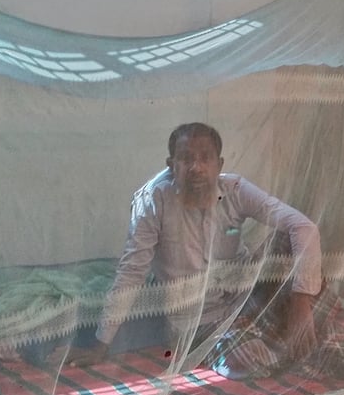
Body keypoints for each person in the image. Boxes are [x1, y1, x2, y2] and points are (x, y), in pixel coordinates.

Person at [67, 123, 323, 376]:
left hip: (244, 299)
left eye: (205, 159)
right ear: (171, 165)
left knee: (291, 246)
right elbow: (131, 273)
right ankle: (291, 343)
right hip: (198, 321)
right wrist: (101, 344)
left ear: (219, 165)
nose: (196, 168)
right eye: (186, 159)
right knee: (242, 360)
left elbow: (304, 228)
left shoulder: (233, 190)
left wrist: (301, 300)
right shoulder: (153, 201)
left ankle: (288, 332)